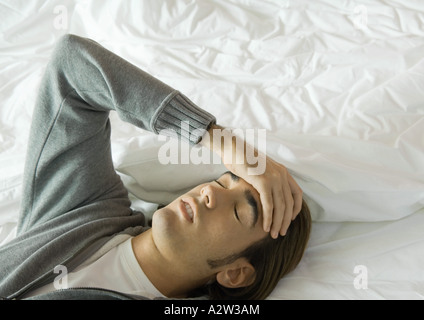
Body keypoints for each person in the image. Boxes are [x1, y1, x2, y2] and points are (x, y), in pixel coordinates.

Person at [0, 35, 311, 300]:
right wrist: (219, 139)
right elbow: (71, 66)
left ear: (236, 274)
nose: (208, 194)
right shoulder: (86, 207)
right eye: (220, 183)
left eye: (238, 212)